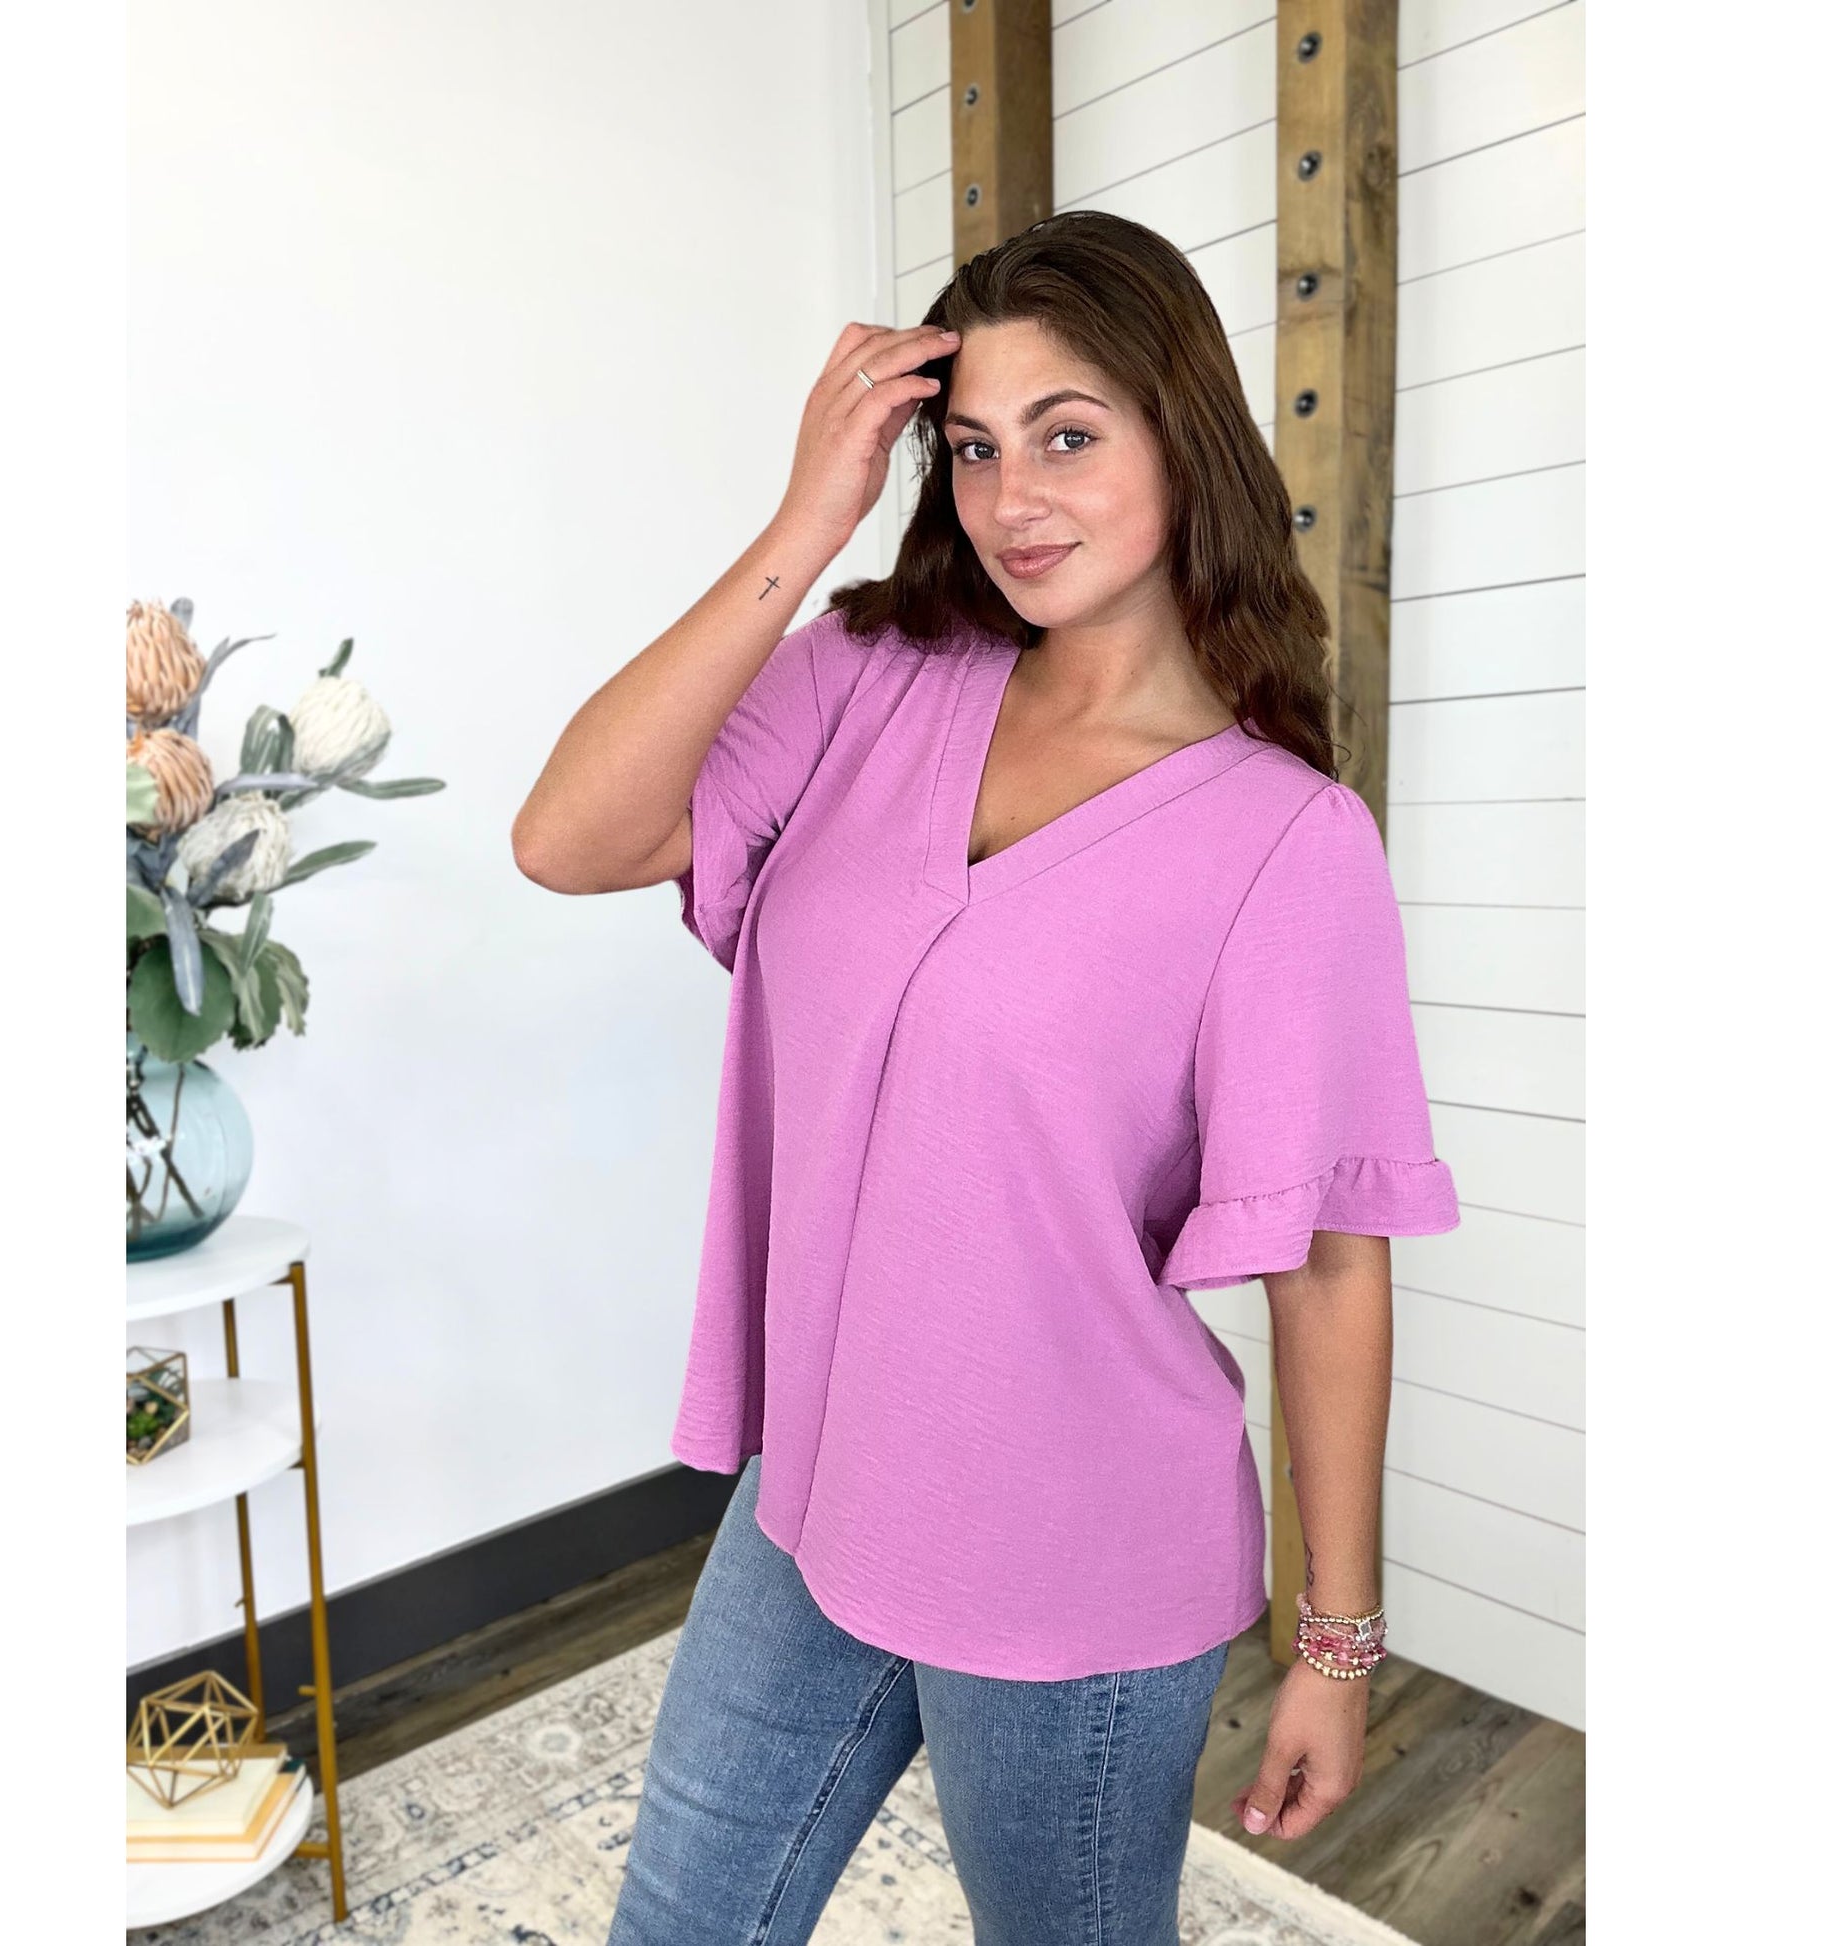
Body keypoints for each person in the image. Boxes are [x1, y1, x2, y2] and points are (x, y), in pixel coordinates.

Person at [512, 208, 1458, 1946]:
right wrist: (807, 519)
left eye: (1067, 435)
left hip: (1071, 1549)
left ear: (1183, 433)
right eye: (969, 448)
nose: (1012, 496)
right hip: (811, 1492)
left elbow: (1331, 1261)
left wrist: (1334, 1642)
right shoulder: (868, 676)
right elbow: (569, 837)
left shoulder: (1284, 838)